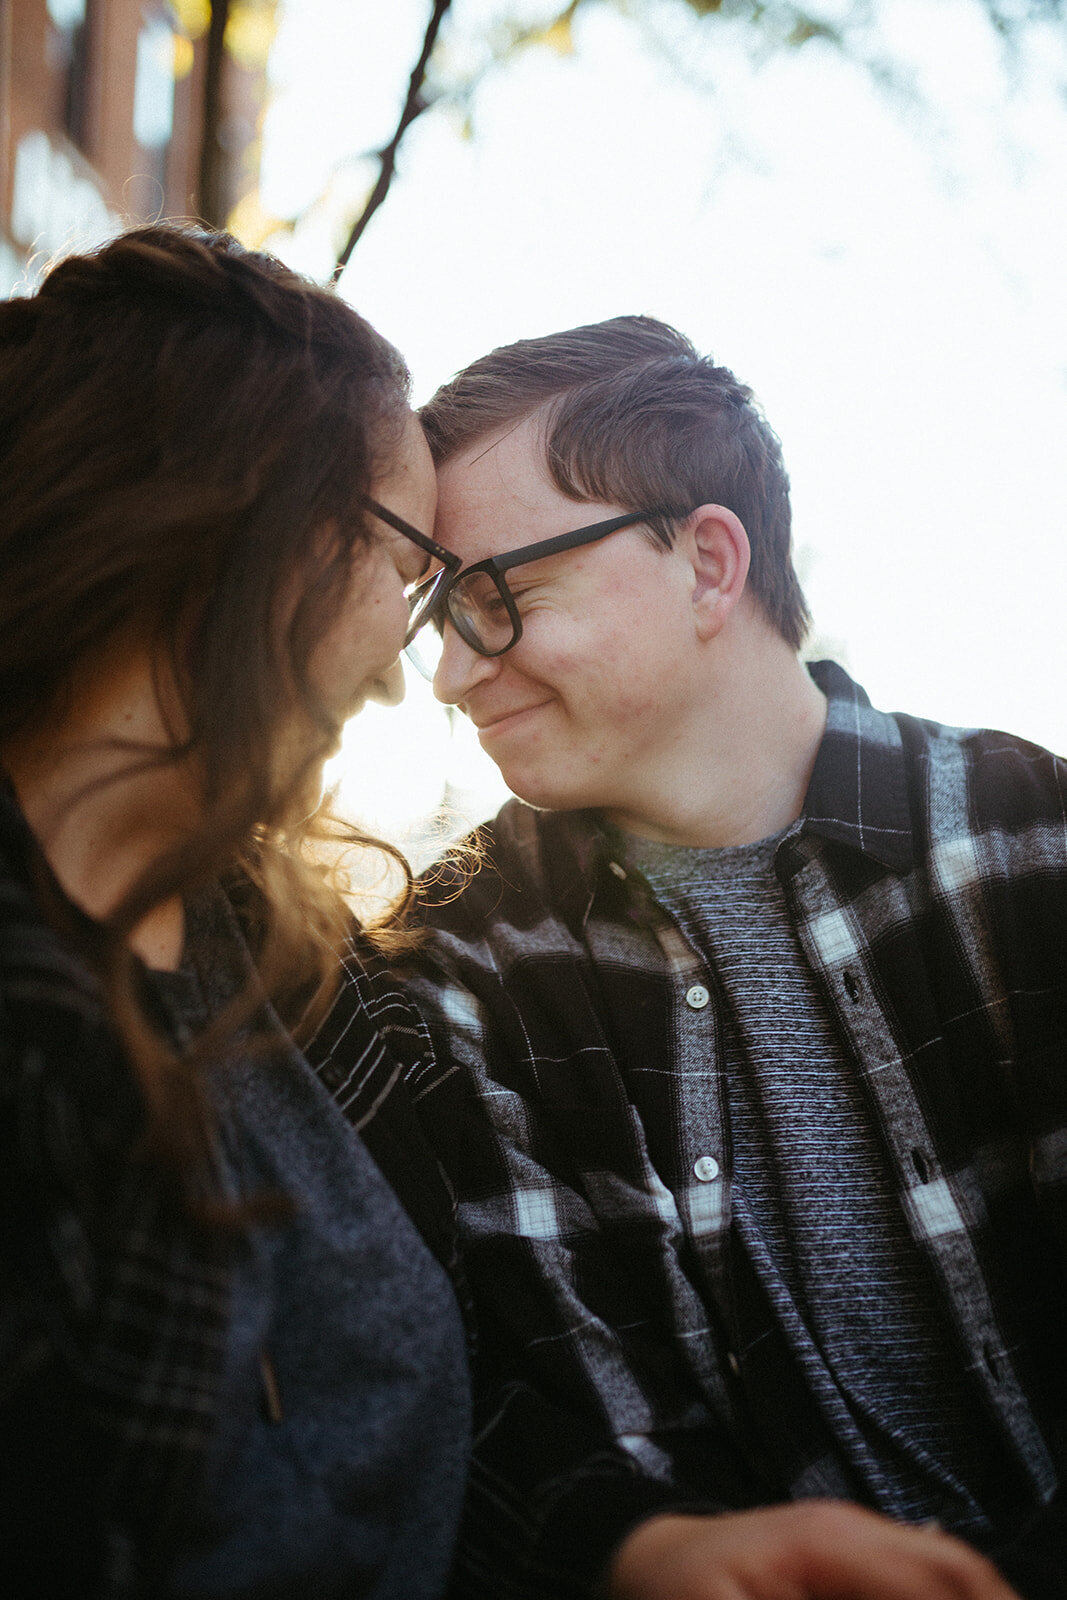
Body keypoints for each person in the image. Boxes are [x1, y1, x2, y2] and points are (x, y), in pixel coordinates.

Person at [313, 316, 1066, 1599]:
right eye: (438, 612)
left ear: (707, 562)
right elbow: (541, 1408)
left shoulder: (1029, 842)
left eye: (501, 596)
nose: (447, 672)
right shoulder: (449, 975)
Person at [0, 224, 470, 1598]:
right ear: (251, 505)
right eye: (406, 566)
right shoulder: (29, 1030)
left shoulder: (271, 959)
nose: (406, 664)